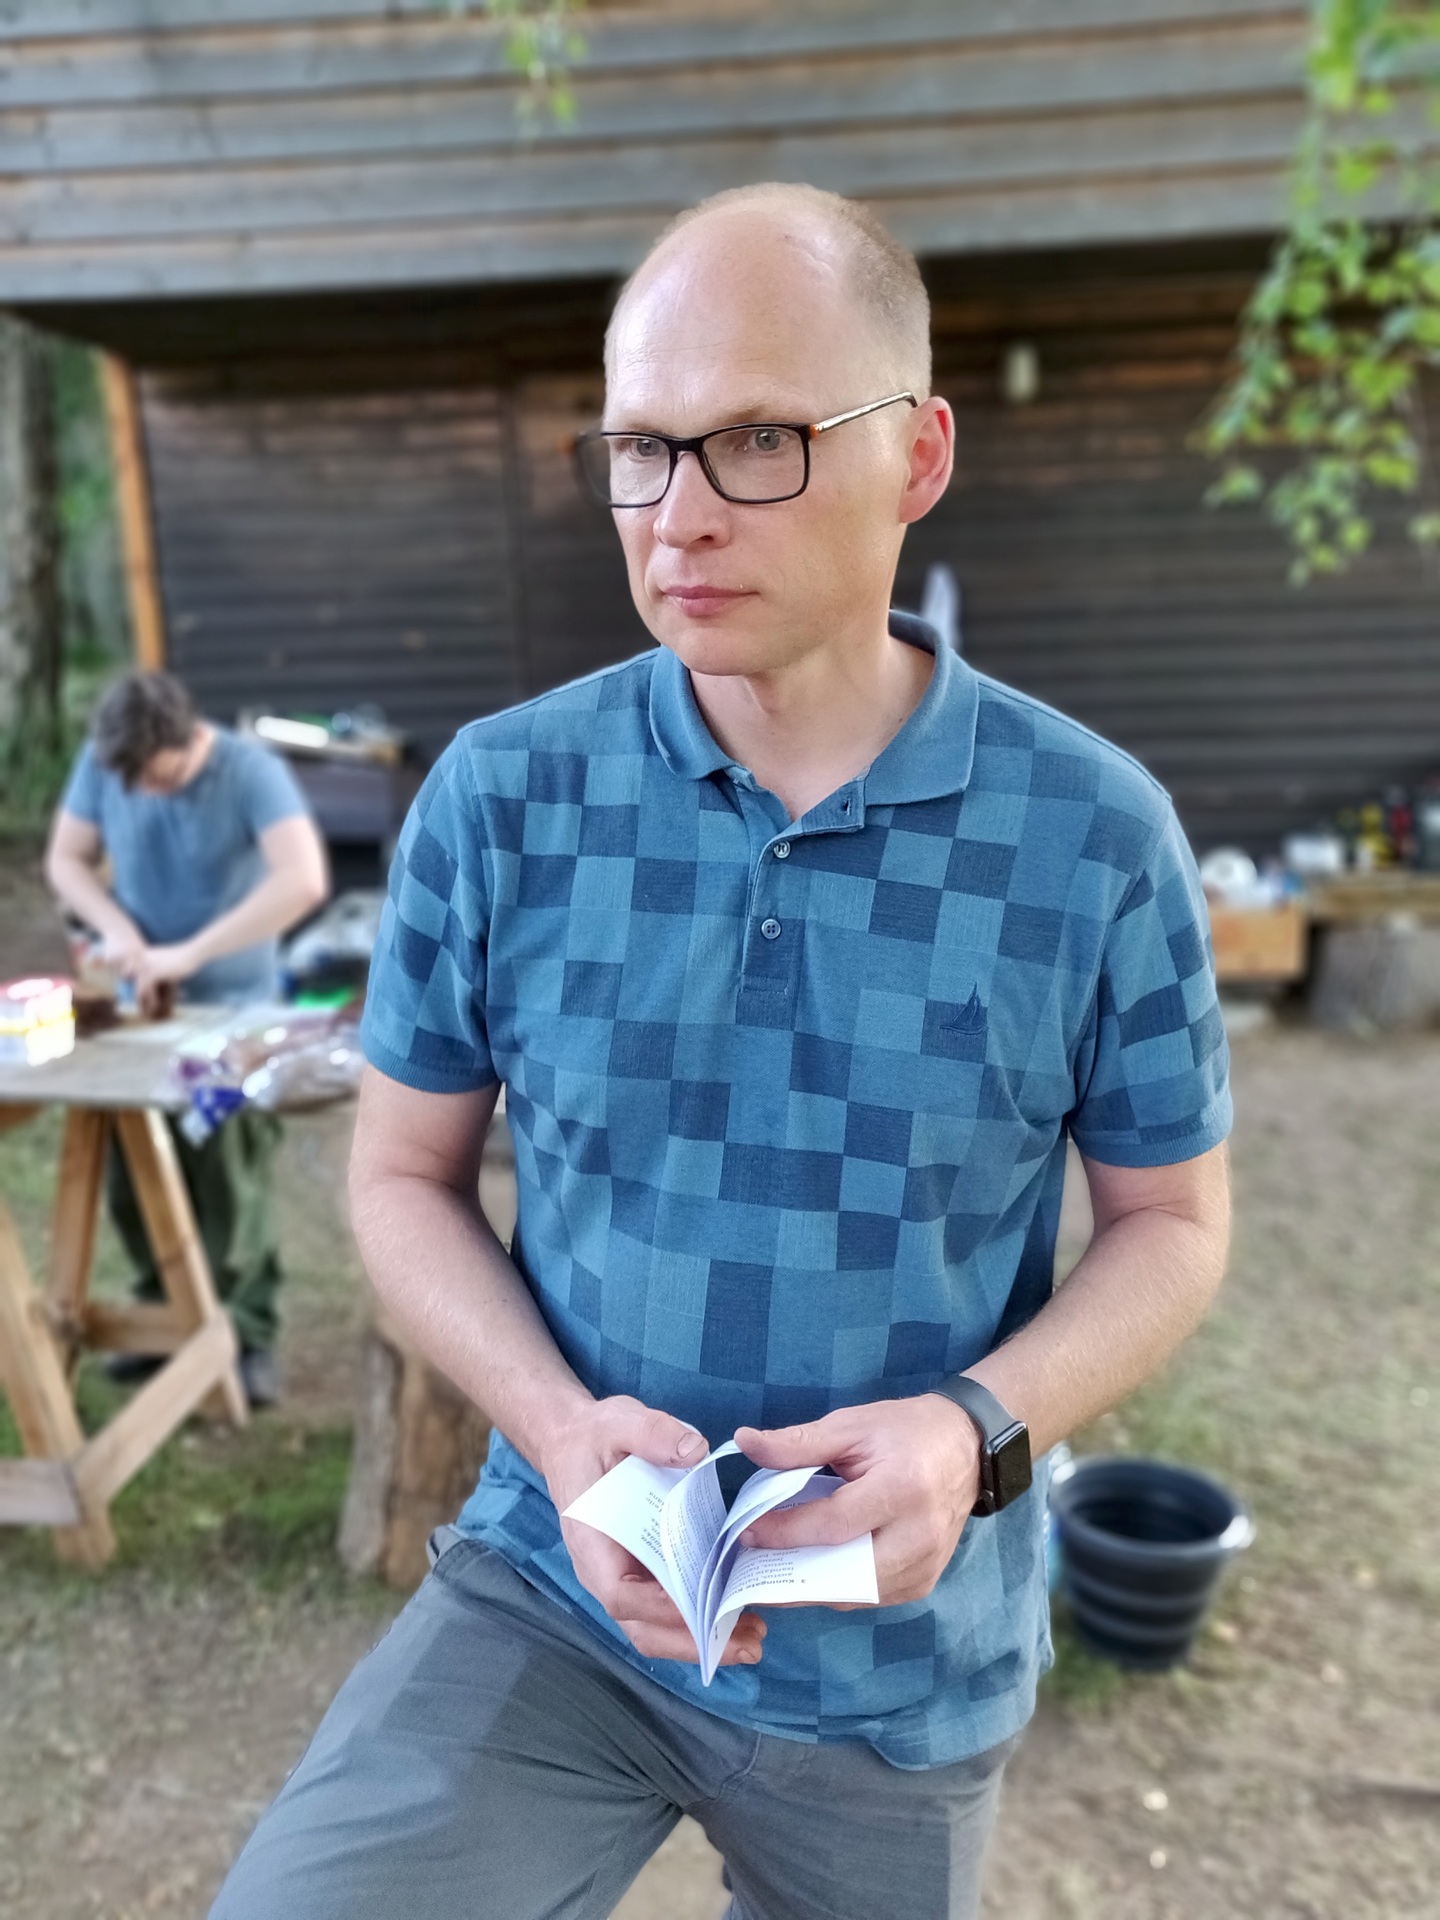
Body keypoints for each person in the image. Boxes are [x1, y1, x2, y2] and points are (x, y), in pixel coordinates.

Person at [211, 184, 1232, 1918]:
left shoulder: (1097, 837)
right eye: (640, 448)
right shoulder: (502, 798)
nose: (678, 513)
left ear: (918, 456)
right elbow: (398, 1177)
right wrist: (559, 1435)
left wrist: (977, 1436)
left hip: (903, 1666)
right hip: (559, 1594)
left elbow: (1173, 1225)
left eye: (759, 439)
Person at [46, 670, 330, 1407]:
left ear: (190, 738)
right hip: (141, 1010)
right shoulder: (107, 758)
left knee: (225, 1174)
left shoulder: (250, 771)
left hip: (235, 1014)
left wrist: (189, 954)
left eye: (159, 776)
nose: (144, 790)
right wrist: (117, 931)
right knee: (128, 1171)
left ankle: (245, 1335)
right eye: (131, 780)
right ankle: (165, 1318)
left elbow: (303, 880)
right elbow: (65, 860)